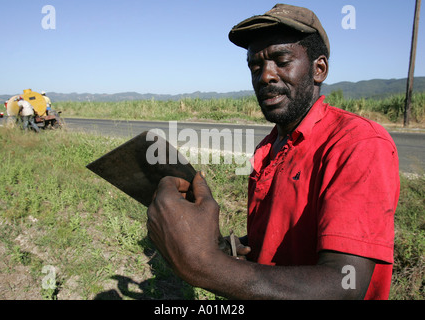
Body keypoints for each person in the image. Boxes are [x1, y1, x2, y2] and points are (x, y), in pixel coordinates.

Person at [146, 4, 400, 300]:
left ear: (319, 69)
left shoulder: (357, 143)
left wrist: (203, 264)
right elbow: (271, 244)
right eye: (255, 66)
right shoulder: (268, 147)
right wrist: (225, 248)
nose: (265, 76)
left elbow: (345, 285)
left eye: (281, 60)